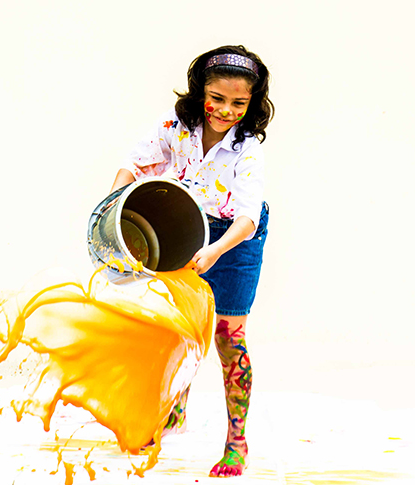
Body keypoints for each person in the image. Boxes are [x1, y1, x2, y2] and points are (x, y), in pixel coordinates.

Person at [110, 45, 274, 478]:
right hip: (187, 224)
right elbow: (135, 163)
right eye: (216, 98)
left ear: (253, 103)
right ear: (200, 90)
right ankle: (174, 409)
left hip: (236, 239)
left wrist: (216, 251)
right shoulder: (176, 125)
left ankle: (236, 442)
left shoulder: (247, 148)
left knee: (227, 338)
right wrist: (112, 204)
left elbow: (247, 218)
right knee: (179, 327)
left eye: (239, 103)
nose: (225, 111)